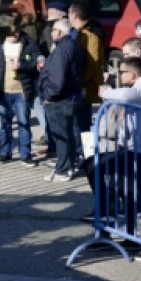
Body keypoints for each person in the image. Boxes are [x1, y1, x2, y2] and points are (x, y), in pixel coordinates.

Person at [82, 57, 141, 250]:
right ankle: (115, 224)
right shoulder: (137, 87)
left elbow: (127, 96)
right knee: (96, 168)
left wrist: (107, 91)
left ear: (133, 74)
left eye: (121, 72)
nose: (118, 75)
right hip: (131, 149)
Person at [0, 26, 41, 166]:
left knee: (24, 124)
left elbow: (37, 63)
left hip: (21, 92)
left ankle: (25, 155)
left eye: (17, 31)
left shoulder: (29, 43)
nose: (15, 33)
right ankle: (5, 153)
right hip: (2, 92)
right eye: (12, 31)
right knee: (4, 124)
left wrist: (22, 65)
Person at [38, 18, 84, 182]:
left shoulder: (62, 50)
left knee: (62, 136)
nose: (51, 33)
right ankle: (68, 166)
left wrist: (49, 96)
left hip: (59, 100)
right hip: (67, 97)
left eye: (53, 30)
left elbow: (58, 80)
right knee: (68, 134)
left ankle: (63, 170)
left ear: (59, 32)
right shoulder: (68, 46)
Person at [69, 0, 104, 165]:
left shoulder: (90, 36)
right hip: (76, 86)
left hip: (84, 87)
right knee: (76, 123)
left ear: (74, 15)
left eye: (69, 14)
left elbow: (92, 63)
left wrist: (78, 80)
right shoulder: (76, 34)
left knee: (83, 124)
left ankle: (88, 156)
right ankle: (79, 154)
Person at [35, 3, 69, 157]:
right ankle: (51, 141)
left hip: (58, 87)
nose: (48, 15)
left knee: (64, 126)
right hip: (50, 80)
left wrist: (50, 94)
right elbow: (42, 48)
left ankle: (64, 158)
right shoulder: (47, 29)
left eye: (51, 12)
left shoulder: (65, 44)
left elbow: (60, 70)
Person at [105, 37, 141, 108]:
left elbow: (129, 86)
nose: (125, 58)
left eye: (127, 54)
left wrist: (109, 82)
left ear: (137, 53)